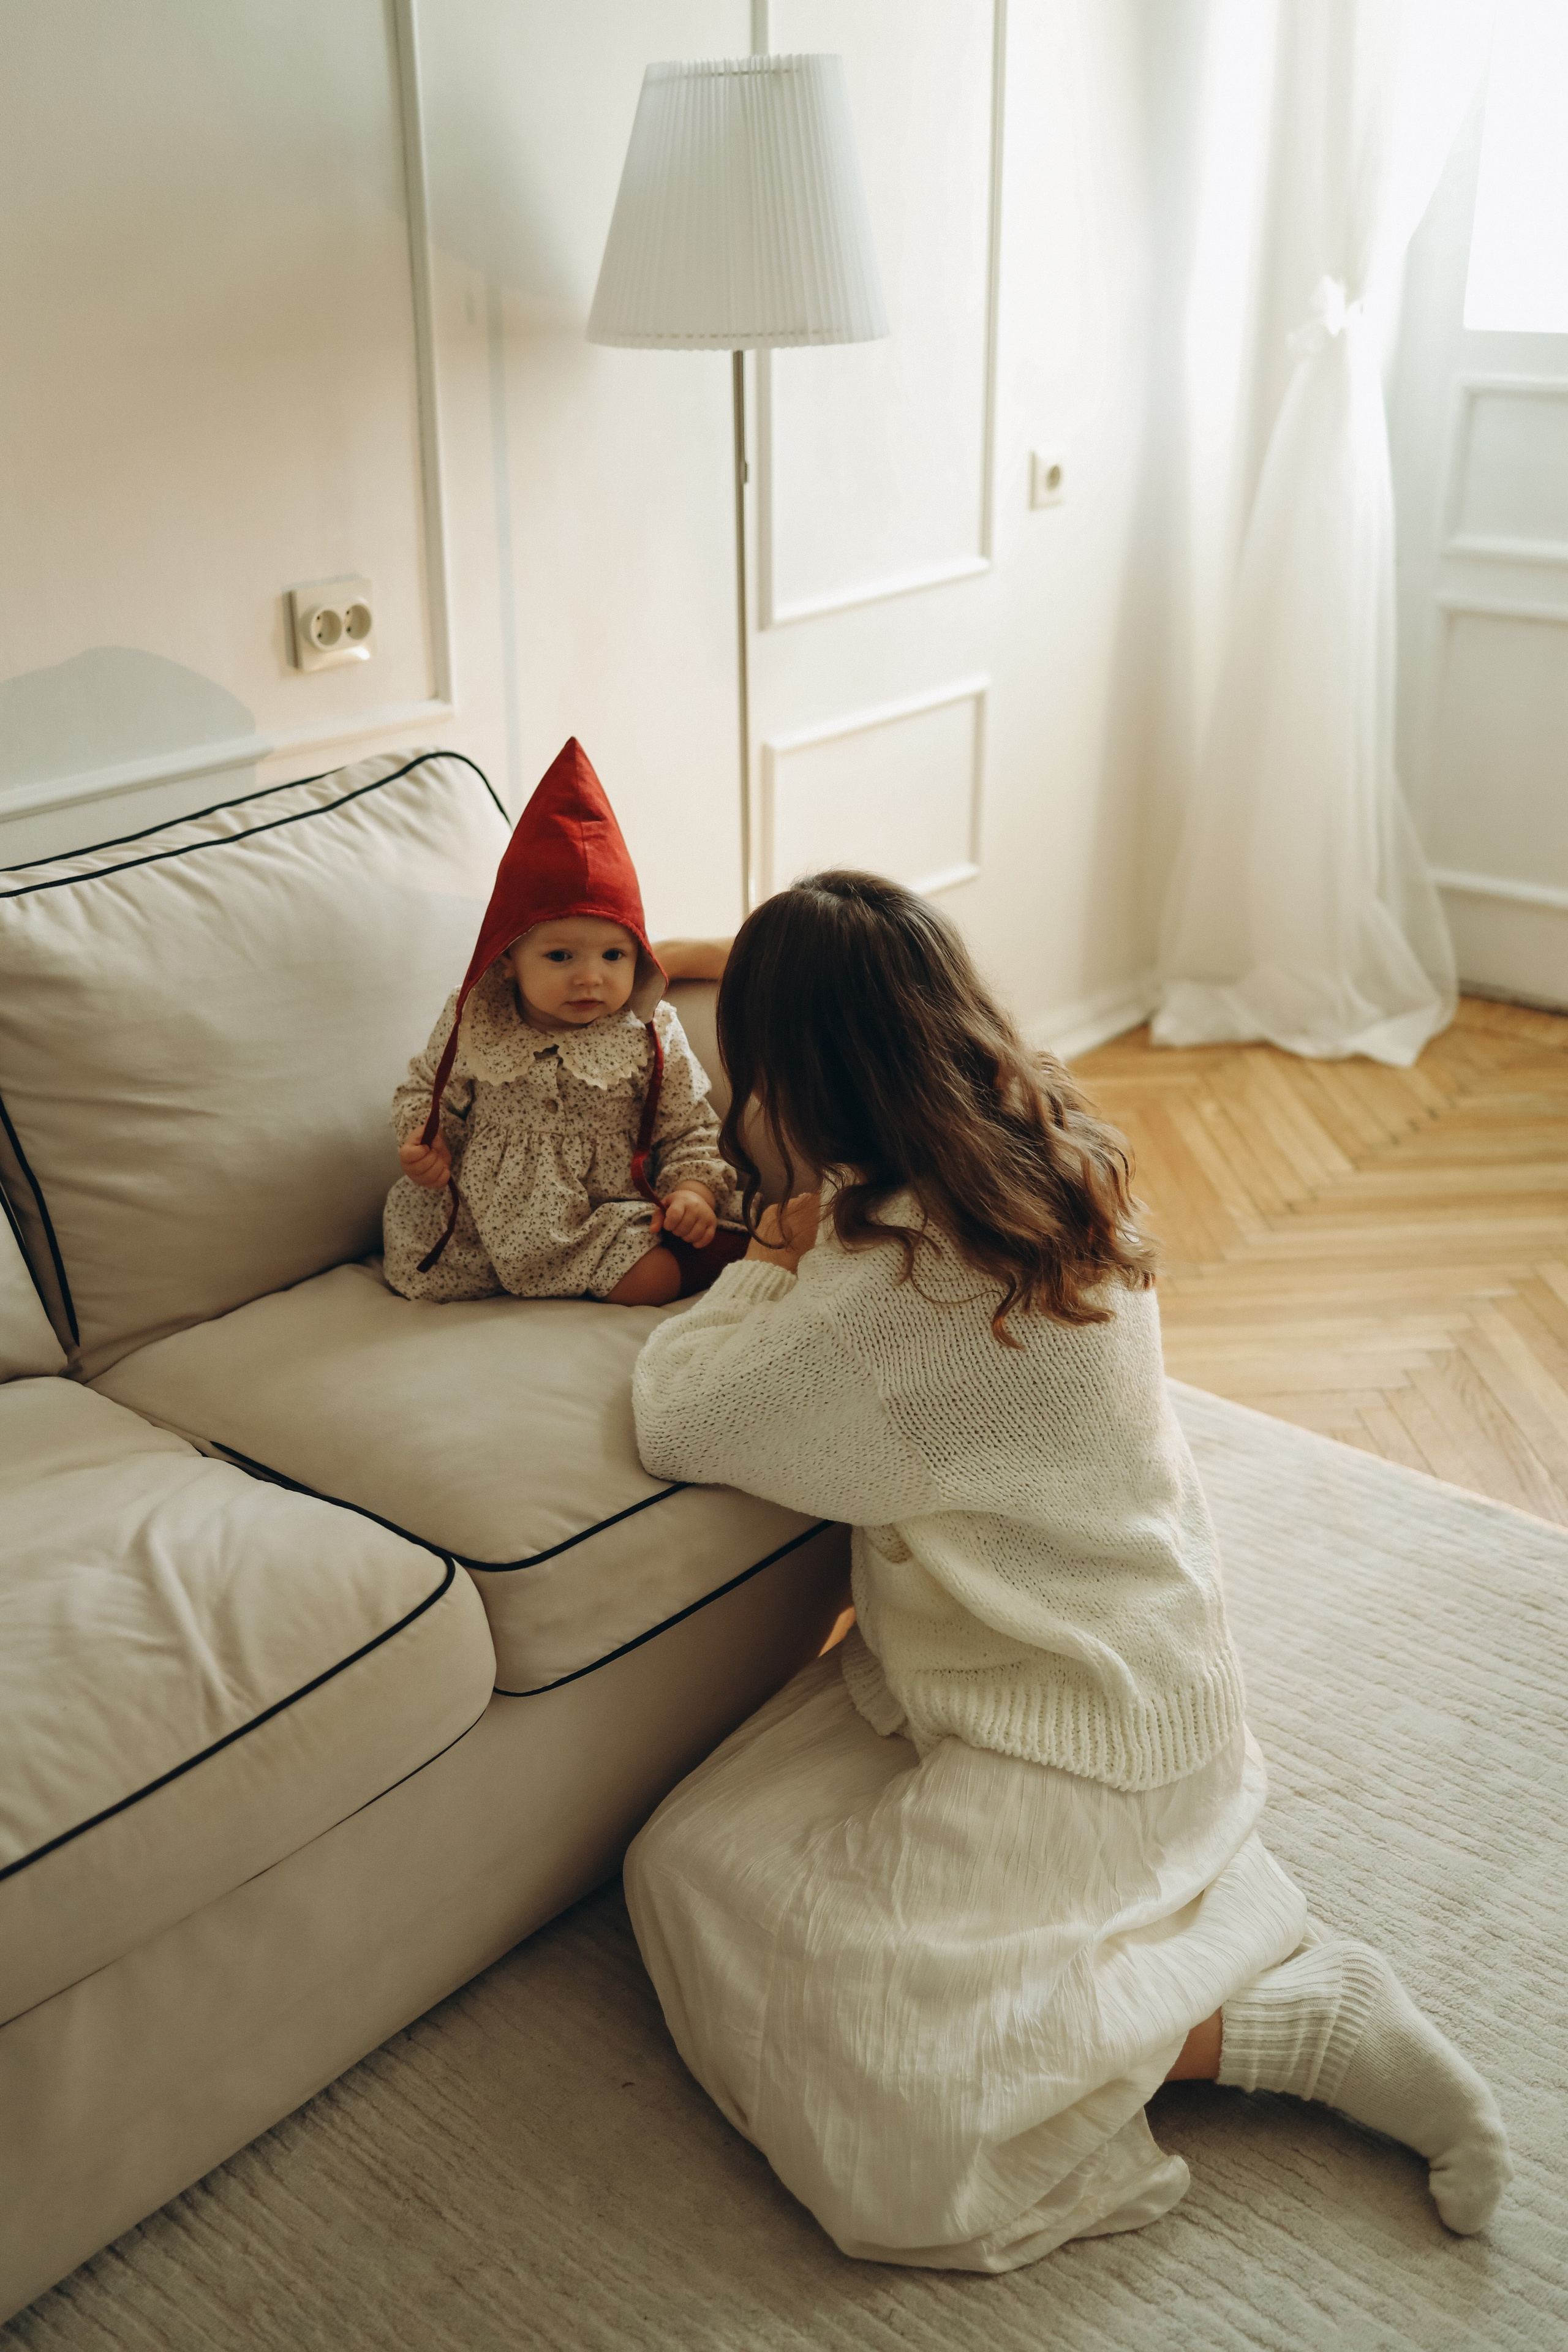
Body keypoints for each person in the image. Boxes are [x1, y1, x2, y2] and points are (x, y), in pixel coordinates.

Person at [623, 870, 1511, 2272]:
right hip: (1045, 1664)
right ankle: (1160, 1945)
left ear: (788, 1076)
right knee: (689, 1861)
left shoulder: (894, 1283)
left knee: (898, 2110)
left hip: (1083, 1726)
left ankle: (1276, 2021)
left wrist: (763, 1258)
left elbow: (678, 1415)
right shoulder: (1041, 1142)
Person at [383, 739, 745, 1307]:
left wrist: (694, 1192)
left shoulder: (649, 1030)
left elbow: (690, 1128)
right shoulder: (476, 1019)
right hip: (482, 1228)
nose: (590, 980)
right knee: (427, 1269)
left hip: (606, 1218)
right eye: (560, 957)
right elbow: (426, 1094)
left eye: (613, 956)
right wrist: (426, 1146)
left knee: (660, 1269)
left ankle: (714, 1261)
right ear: (507, 958)